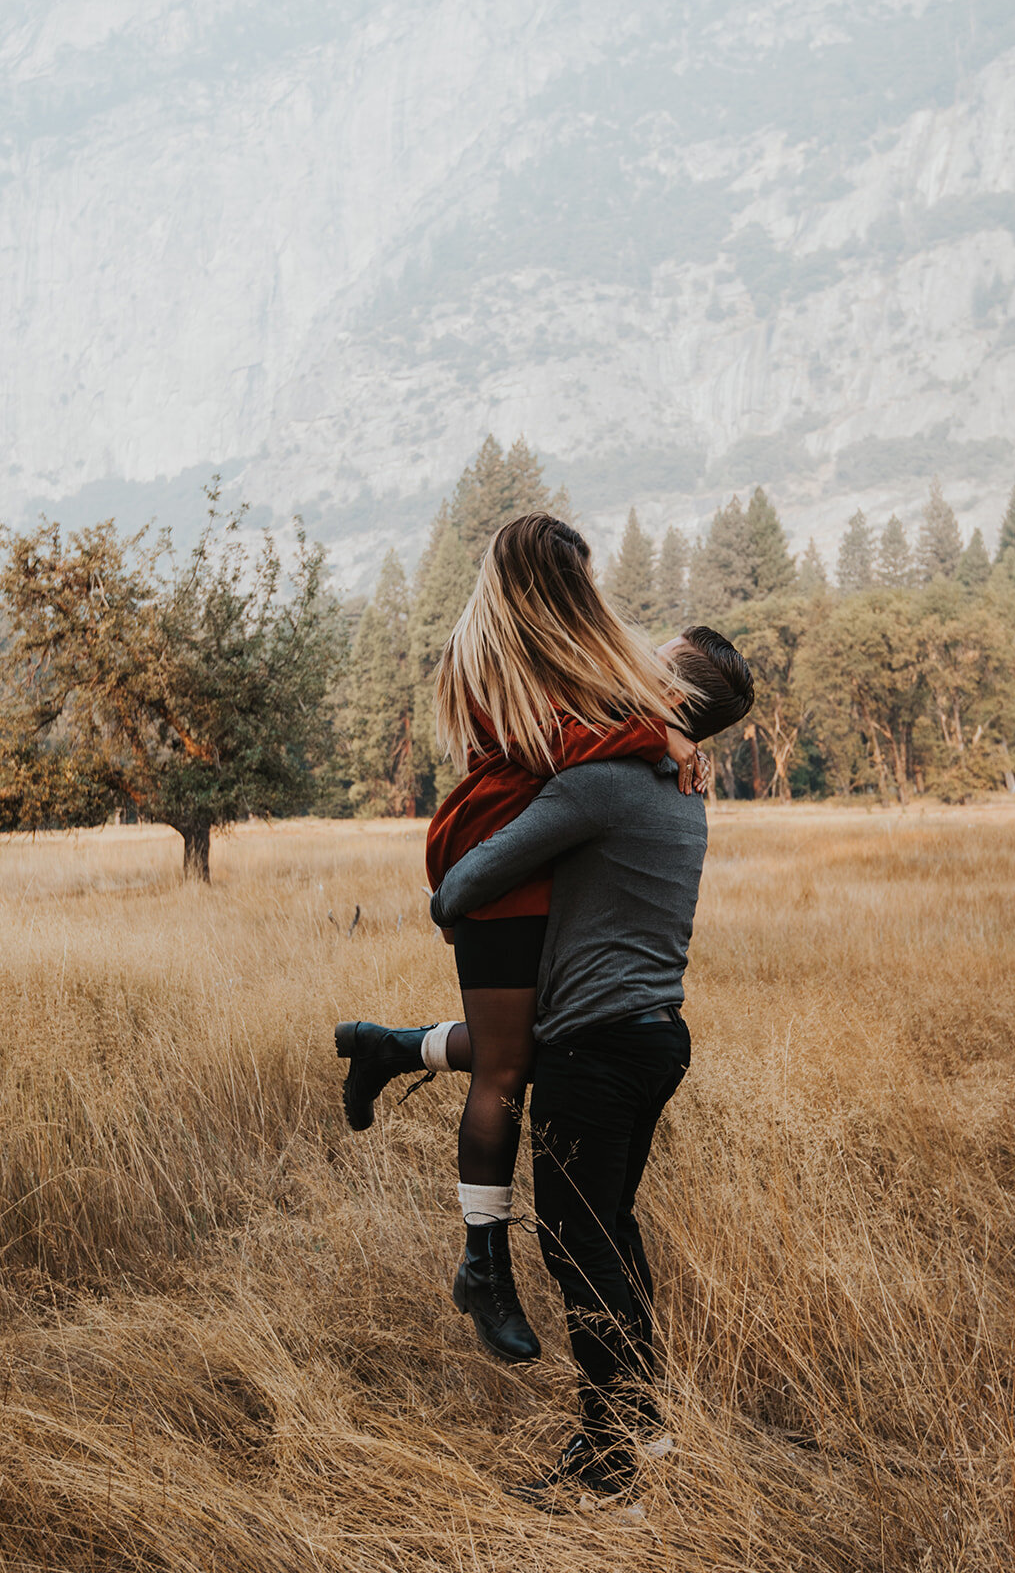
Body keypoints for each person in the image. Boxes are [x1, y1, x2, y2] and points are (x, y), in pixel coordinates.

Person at [340, 623, 755, 1502]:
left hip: (594, 1050)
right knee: (610, 1237)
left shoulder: (604, 783)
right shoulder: (680, 788)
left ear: (669, 697)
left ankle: (609, 1471)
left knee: (578, 1251)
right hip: (650, 1039)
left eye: (647, 658)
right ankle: (644, 1433)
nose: (621, 653)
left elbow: (456, 891)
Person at [337, 512, 707, 1365]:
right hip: (496, 858)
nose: (585, 593)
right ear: (538, 579)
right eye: (572, 576)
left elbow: (596, 735)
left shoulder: (567, 653)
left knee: (542, 1041)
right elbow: (554, 747)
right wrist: (658, 730)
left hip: (546, 852)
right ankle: (484, 1261)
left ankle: (391, 1048)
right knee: (508, 1068)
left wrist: (658, 727)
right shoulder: (485, 650)